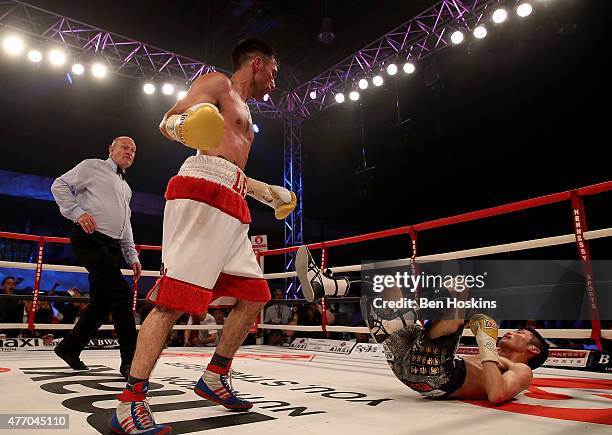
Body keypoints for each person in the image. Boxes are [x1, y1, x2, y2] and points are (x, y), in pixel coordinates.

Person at [112, 38, 295, 434]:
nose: (275, 83)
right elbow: (168, 120)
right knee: (173, 301)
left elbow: (231, 166)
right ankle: (129, 403)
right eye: (274, 73)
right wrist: (186, 127)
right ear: (258, 64)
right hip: (200, 191)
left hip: (233, 198)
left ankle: (214, 376)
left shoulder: (247, 114)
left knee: (253, 297)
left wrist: (267, 193)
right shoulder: (217, 84)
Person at [296, 246, 549, 403]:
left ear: (533, 350)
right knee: (386, 281)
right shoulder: (493, 360)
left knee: (459, 292)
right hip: (413, 362)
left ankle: (412, 313)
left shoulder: (522, 372)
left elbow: (496, 394)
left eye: (520, 333)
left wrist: (486, 341)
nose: (511, 332)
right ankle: (326, 286)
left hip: (435, 376)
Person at [51, 136, 141, 378]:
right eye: (124, 147)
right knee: (121, 295)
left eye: (133, 150)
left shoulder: (125, 187)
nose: (129, 152)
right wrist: (78, 213)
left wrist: (131, 254)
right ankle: (131, 361)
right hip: (89, 239)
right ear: (111, 149)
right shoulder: (92, 166)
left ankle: (69, 348)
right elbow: (59, 185)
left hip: (111, 246)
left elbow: (125, 224)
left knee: (102, 304)